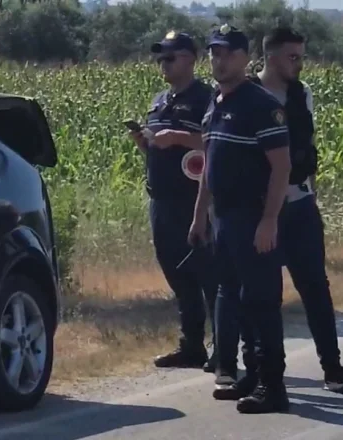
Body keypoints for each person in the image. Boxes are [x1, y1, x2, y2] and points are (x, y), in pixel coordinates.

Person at [220, 27, 343, 393]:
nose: (299, 64)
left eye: (301, 56)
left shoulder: (301, 94)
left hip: (301, 205)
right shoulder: (247, 97)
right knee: (259, 294)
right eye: (293, 57)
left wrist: (312, 196)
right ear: (271, 57)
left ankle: (333, 368)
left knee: (314, 288)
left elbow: (306, 150)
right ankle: (258, 371)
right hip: (261, 211)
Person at [189, 24, 291, 414]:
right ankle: (252, 375)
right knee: (239, 299)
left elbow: (280, 168)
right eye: (214, 52)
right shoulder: (216, 102)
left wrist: (269, 220)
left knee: (263, 301)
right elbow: (208, 167)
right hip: (224, 219)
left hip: (252, 215)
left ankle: (273, 386)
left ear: (246, 58)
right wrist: (200, 217)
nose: (219, 59)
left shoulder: (259, 104)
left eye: (228, 52)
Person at [129, 31, 218, 372]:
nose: (162, 64)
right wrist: (145, 142)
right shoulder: (158, 101)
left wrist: (179, 137)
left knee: (209, 276)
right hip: (162, 200)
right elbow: (157, 147)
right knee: (178, 276)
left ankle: (223, 347)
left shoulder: (206, 99)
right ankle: (191, 345)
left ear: (190, 59)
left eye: (170, 57)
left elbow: (215, 141)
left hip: (195, 200)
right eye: (160, 58)